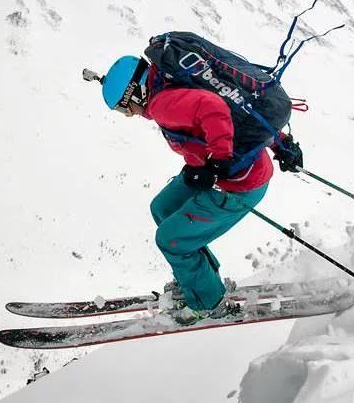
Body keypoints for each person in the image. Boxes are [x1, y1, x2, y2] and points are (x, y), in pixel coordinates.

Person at [95, 54, 303, 325]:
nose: (130, 115)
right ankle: (197, 279)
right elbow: (235, 106)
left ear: (134, 93)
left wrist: (216, 164)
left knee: (171, 240)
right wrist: (280, 142)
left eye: (125, 108)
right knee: (163, 208)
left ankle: (209, 304)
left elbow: (213, 108)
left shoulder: (160, 103)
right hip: (217, 171)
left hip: (237, 185)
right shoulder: (170, 81)